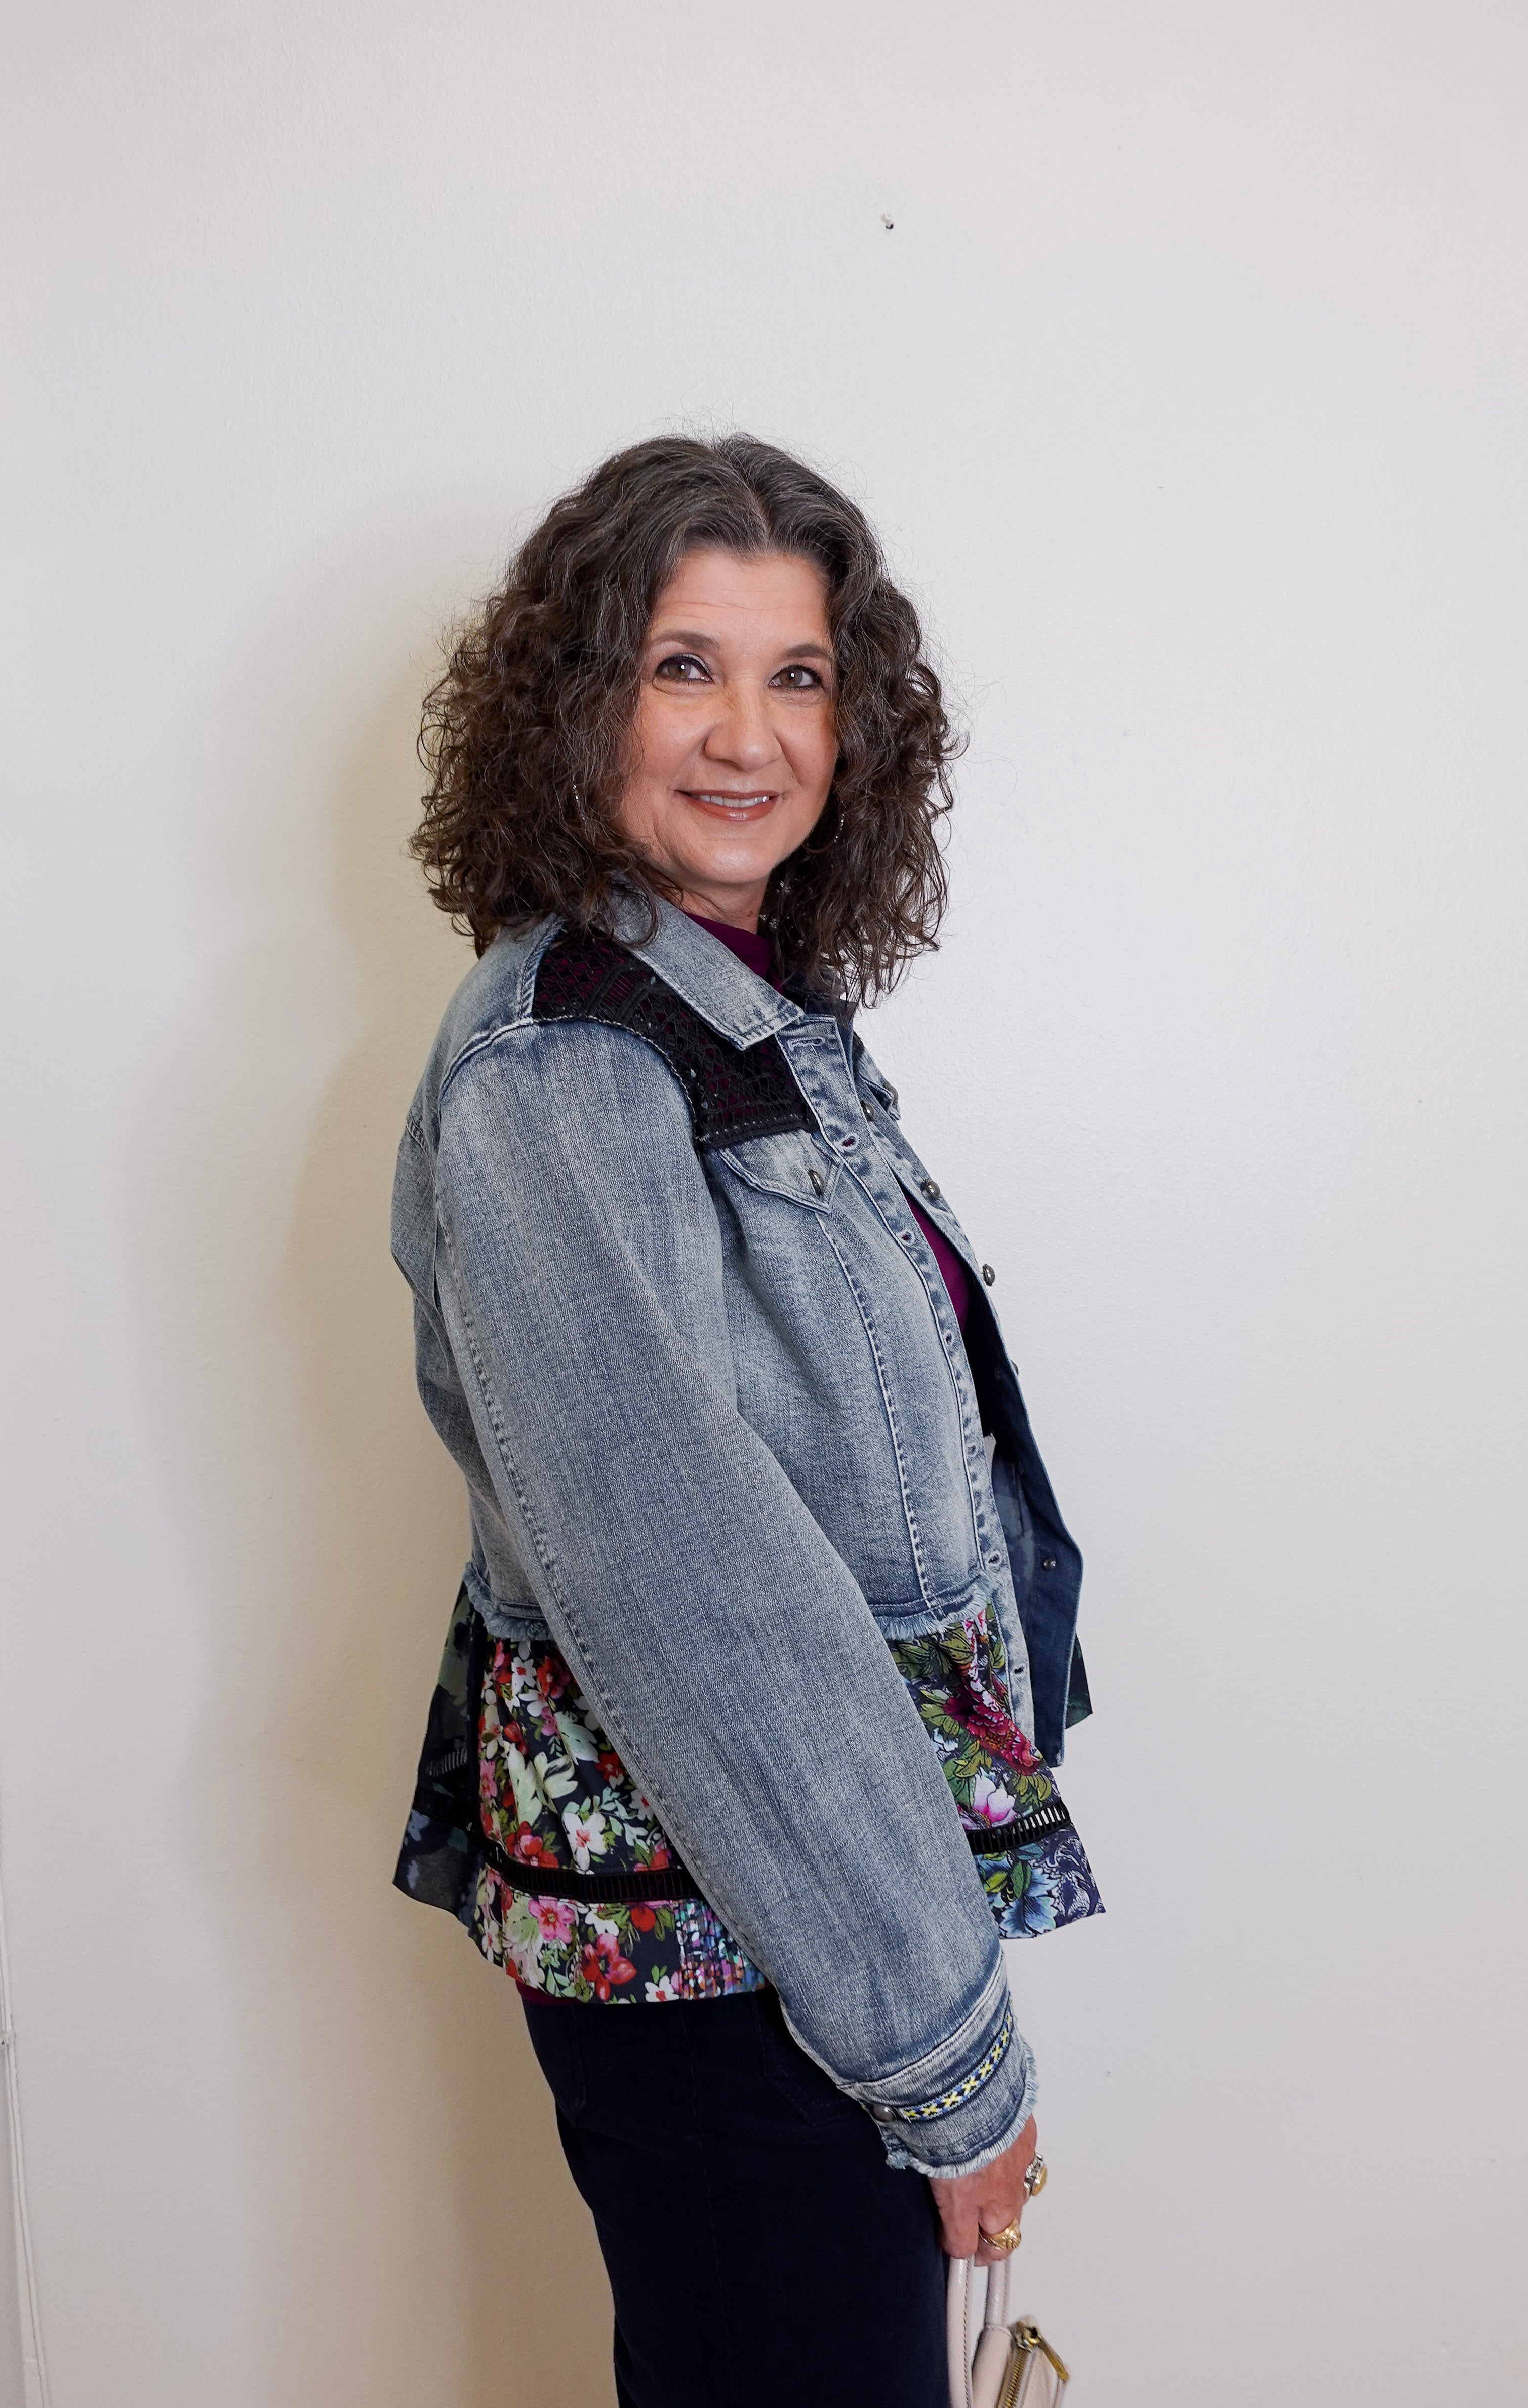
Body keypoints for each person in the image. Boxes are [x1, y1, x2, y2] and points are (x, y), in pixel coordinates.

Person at [390, 433, 1099, 2405]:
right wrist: (942, 2060)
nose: (747, 733)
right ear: (575, 699)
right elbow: (707, 1621)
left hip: (793, 1929)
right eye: (680, 665)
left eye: (795, 674)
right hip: (744, 1959)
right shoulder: (568, 1064)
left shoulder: (725, 1010)